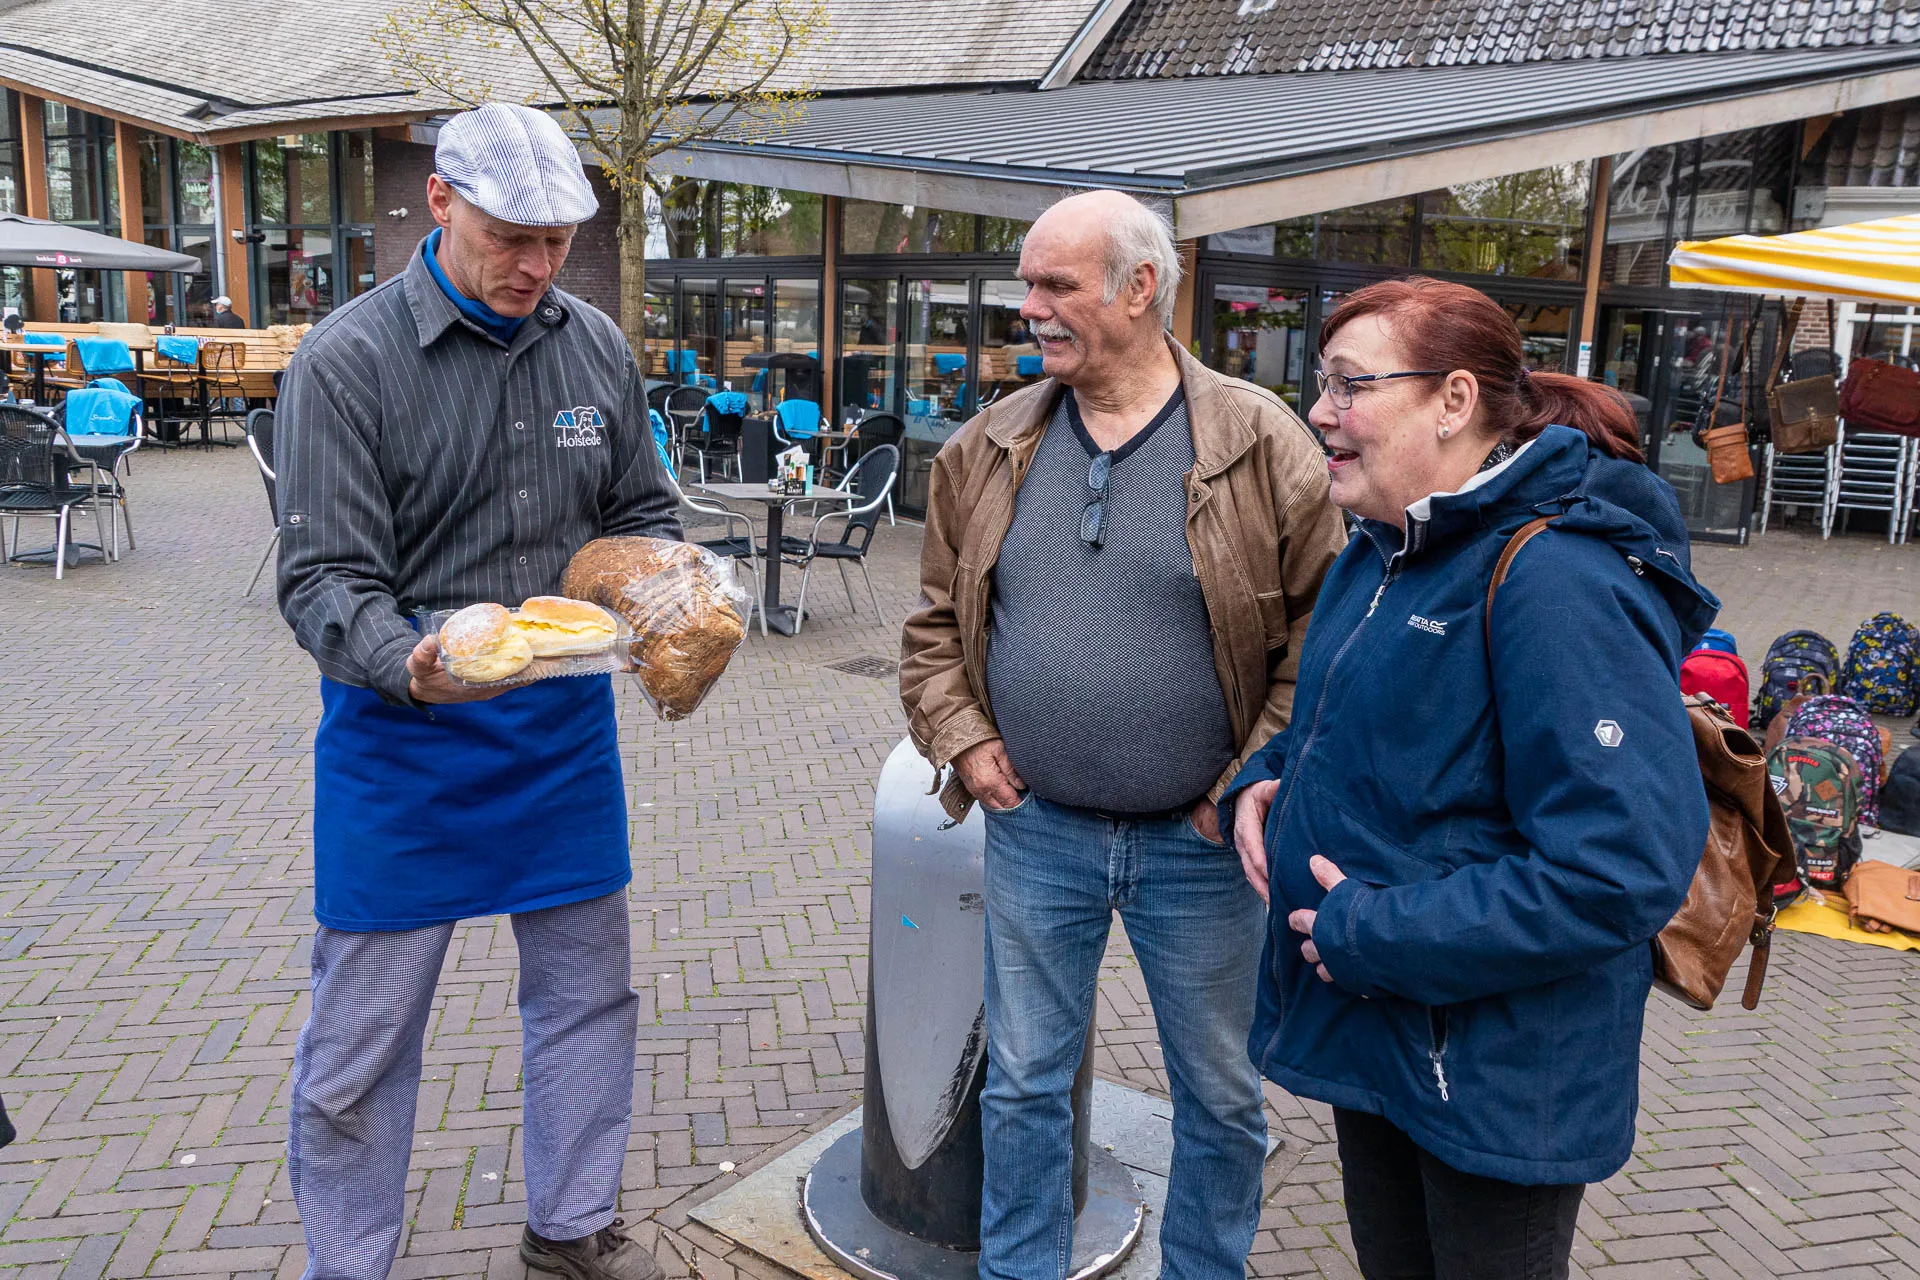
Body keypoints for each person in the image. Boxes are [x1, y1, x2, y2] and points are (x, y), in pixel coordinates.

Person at [1222, 277, 1719, 1280]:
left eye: (1350, 385)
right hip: (1380, 1024)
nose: (1318, 410)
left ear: (1453, 400)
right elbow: (1356, 715)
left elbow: (1619, 865)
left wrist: (1371, 932)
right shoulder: (1384, 548)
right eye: (1321, 384)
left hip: (1491, 1065)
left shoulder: (1555, 579)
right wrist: (1270, 775)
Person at [899, 190, 1346, 1280]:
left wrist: (1245, 777)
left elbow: (1324, 645)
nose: (1031, 308)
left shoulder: (1257, 441)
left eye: (1056, 285)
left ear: (1140, 289)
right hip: (1035, 829)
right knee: (1023, 1083)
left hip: (1199, 847)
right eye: (1029, 282)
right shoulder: (986, 444)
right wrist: (963, 740)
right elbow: (931, 631)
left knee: (1221, 1094)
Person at [275, 103, 679, 1280]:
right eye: (513, 237)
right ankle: (348, 1261)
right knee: (361, 1039)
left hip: (560, 735)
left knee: (588, 996)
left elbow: (639, 516)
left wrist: (672, 591)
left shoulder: (592, 346)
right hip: (401, 737)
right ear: (440, 202)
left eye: (557, 239)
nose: (538, 267)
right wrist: (413, 659)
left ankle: (569, 1224)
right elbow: (323, 578)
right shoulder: (348, 362)